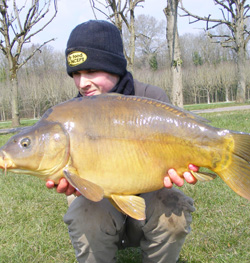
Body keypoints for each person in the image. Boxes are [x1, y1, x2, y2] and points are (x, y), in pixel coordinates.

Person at [46, 20, 199, 263]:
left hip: (149, 195)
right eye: (75, 74)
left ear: (115, 67)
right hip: (100, 202)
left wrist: (181, 168)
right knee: (84, 215)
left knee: (175, 210)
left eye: (91, 71)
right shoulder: (71, 116)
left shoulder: (152, 99)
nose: (81, 83)